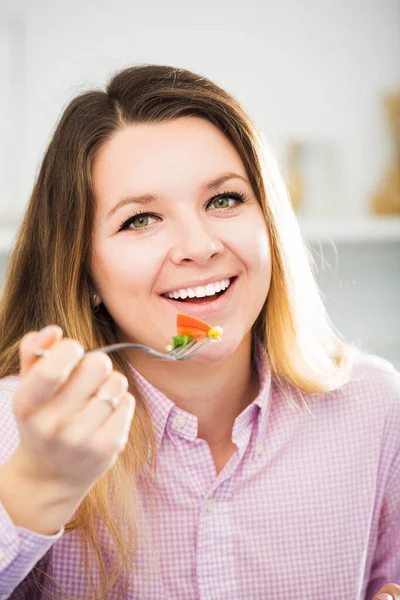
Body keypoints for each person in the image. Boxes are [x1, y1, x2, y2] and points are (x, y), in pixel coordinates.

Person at [0, 65, 399, 600]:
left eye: (224, 200)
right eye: (140, 219)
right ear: (83, 272)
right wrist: (37, 488)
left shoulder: (375, 407)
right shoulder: (20, 429)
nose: (199, 244)